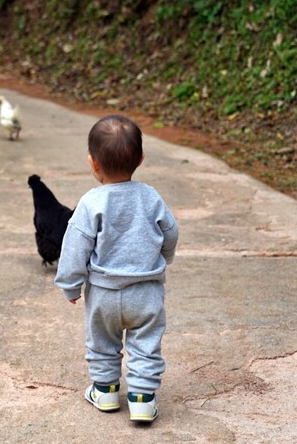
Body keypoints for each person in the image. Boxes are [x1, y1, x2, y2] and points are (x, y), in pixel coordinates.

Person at [55, 114, 179, 423]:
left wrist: (70, 284)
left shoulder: (90, 202)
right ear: (140, 158)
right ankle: (141, 400)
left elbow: (75, 247)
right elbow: (171, 232)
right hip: (146, 293)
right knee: (145, 345)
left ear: (93, 163)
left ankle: (106, 392)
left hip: (104, 294)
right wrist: (164, 255)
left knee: (101, 342)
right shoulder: (151, 197)